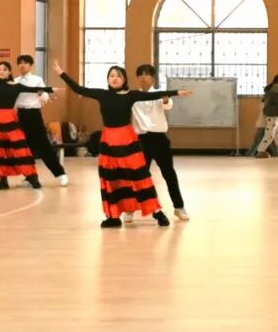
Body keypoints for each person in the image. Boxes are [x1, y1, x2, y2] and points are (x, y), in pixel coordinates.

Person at [52, 59, 189, 228]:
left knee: (139, 176)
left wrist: (176, 92)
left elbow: (154, 95)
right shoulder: (102, 94)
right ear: (108, 79)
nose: (114, 78)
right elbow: (79, 89)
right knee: (111, 179)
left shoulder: (131, 95)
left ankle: (156, 211)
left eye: (118, 76)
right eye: (111, 76)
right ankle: (113, 216)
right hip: (108, 142)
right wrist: (61, 73)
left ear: (124, 79)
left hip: (128, 140)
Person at [0, 61, 51, 190]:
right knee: (0, 151)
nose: (1, 71)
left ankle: (32, 177)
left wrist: (50, 89)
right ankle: (3, 181)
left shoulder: (16, 86)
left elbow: (33, 89)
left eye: (4, 69)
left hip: (10, 119)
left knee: (20, 149)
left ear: (9, 72)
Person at [129, 64, 189, 222]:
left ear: (153, 78)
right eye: (140, 75)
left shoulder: (159, 94)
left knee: (169, 174)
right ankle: (130, 209)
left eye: (147, 74)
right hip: (141, 140)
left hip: (159, 139)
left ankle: (179, 207)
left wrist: (166, 100)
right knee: (138, 176)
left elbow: (168, 104)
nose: (143, 77)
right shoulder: (133, 96)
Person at [14, 54, 68, 186]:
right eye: (20, 63)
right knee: (25, 148)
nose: (22, 65)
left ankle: (60, 174)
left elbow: (44, 95)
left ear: (30, 65)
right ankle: (30, 177)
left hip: (34, 114)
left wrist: (42, 95)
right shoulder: (15, 81)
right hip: (21, 114)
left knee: (44, 146)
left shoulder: (37, 79)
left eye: (25, 63)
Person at [255, 74, 278, 159]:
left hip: (273, 115)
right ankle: (261, 151)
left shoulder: (271, 88)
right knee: (270, 134)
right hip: (272, 115)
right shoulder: (276, 89)